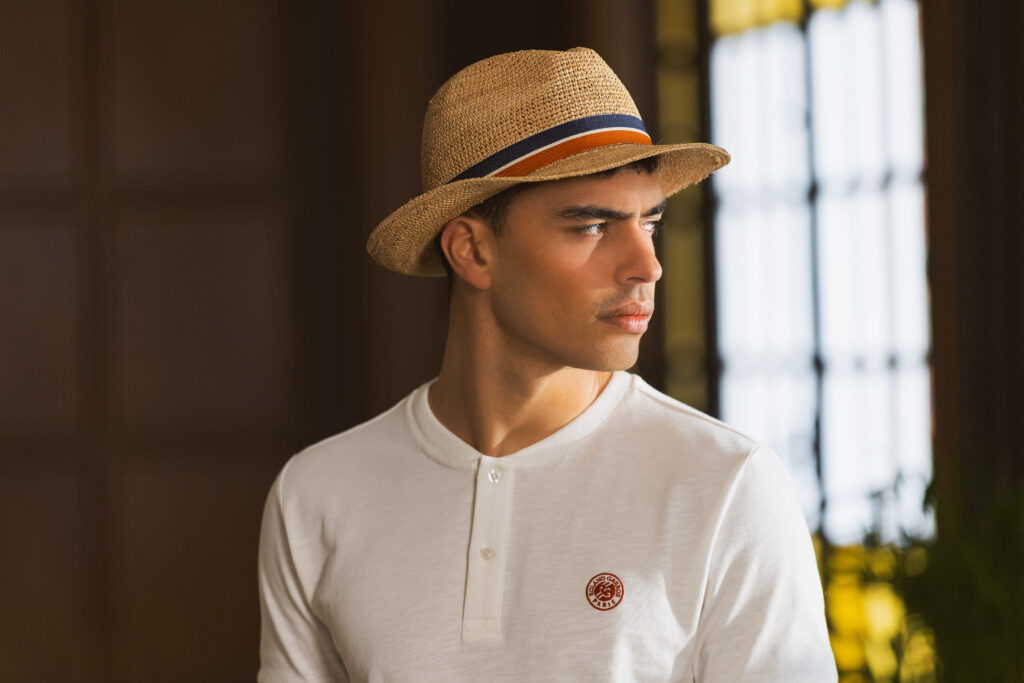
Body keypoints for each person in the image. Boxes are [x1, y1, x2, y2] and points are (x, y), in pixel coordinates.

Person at [257, 47, 837, 682]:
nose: (646, 265)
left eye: (650, 224)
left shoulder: (726, 485)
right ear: (471, 250)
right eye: (592, 226)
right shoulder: (318, 495)